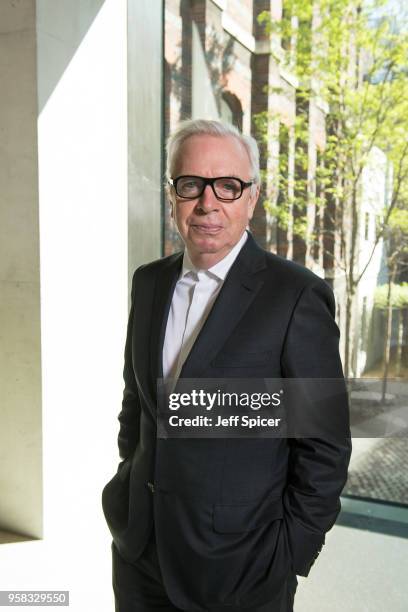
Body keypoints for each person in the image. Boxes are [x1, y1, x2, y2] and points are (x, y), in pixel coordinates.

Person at [102, 119, 352, 612]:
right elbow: (138, 405)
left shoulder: (296, 296)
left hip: (241, 572)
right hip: (140, 557)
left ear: (252, 198)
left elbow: (324, 446)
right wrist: (128, 490)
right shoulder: (148, 282)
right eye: (191, 184)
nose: (208, 204)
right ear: (172, 195)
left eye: (228, 186)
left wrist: (289, 555)